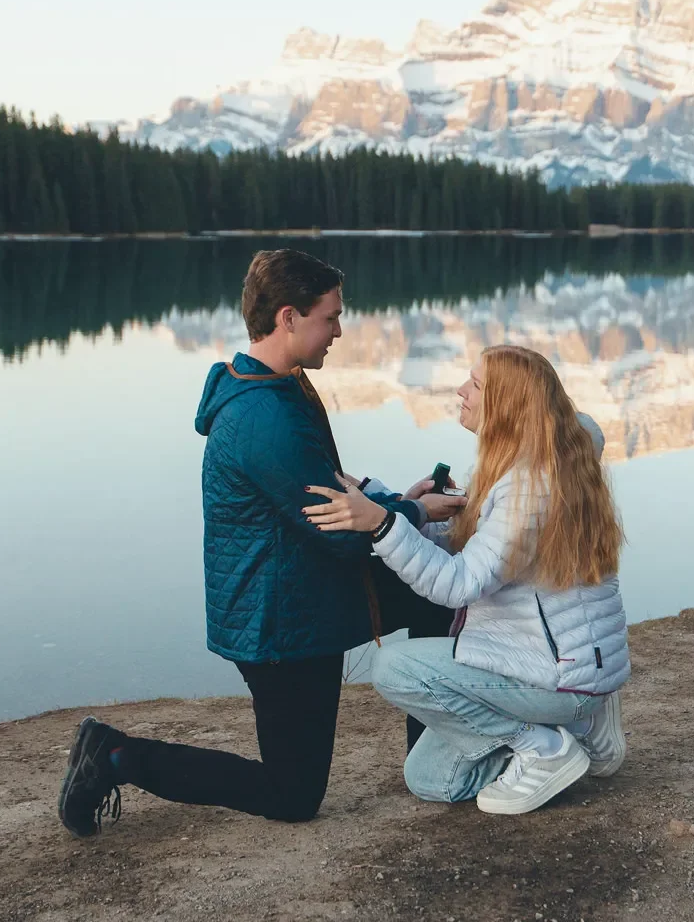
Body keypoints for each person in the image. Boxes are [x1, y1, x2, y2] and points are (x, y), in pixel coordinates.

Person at [56, 248, 465, 837]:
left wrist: (398, 501)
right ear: (289, 318)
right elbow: (343, 533)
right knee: (293, 793)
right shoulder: (264, 418)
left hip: (306, 586)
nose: (340, 330)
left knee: (433, 593)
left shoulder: (276, 386)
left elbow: (329, 487)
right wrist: (414, 512)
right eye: (331, 317)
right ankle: (116, 757)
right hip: (281, 622)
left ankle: (434, 759)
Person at [301, 344, 629, 815]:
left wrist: (380, 524)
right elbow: (478, 549)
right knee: (430, 779)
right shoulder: (541, 466)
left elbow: (456, 585)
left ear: (507, 407)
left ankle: (543, 746)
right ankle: (577, 730)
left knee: (392, 667)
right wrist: (382, 498)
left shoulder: (527, 488)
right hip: (553, 665)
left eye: (475, 385)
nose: (461, 390)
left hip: (554, 677)